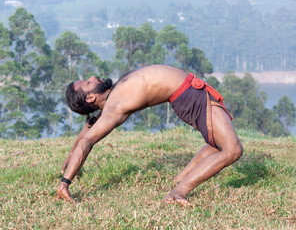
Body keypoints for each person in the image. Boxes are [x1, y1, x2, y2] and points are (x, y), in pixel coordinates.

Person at [56, 64, 243, 206]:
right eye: (88, 83)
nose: (92, 77)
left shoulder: (112, 100)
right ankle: (177, 192)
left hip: (190, 93)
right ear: (90, 98)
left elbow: (90, 126)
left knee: (217, 145)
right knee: (232, 150)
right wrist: (65, 182)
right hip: (190, 96)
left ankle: (179, 180)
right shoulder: (114, 109)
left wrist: (71, 155)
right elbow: (88, 141)